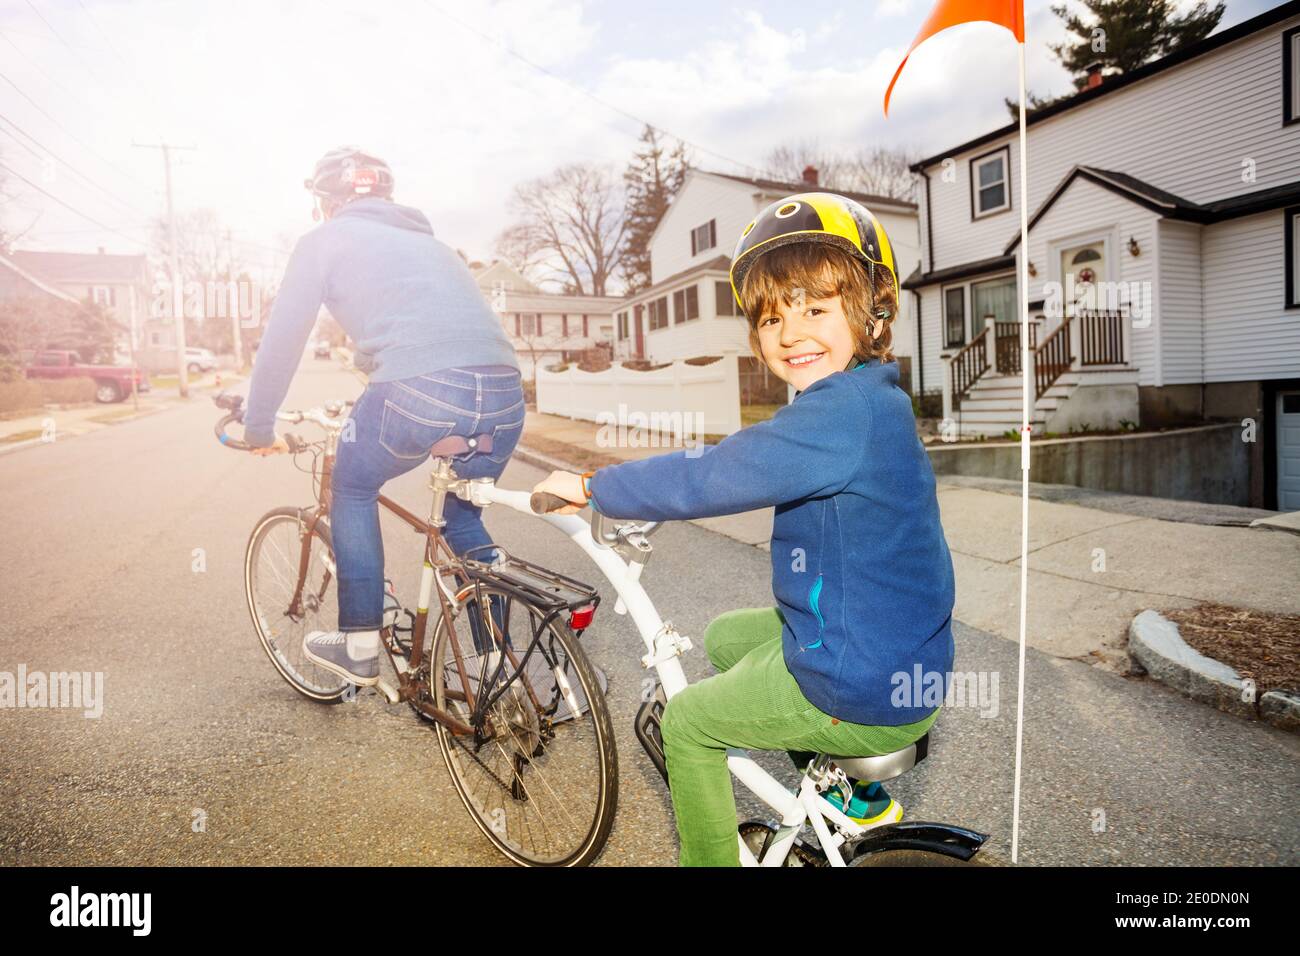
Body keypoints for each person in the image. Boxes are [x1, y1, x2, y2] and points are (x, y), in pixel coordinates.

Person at [531, 192, 956, 866]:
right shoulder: (872, 398)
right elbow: (758, 467)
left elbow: (714, 476)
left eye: (814, 308)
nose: (790, 333)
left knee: (690, 720)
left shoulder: (839, 416)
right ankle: (850, 795)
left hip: (860, 680)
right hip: (898, 652)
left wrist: (593, 486)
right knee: (729, 636)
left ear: (873, 309)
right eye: (770, 317)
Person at [243, 146, 523, 688]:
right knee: (464, 515)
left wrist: (259, 426)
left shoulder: (322, 241)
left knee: (352, 486)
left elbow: (283, 340)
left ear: (327, 202)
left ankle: (359, 644)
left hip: (420, 388)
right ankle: (495, 660)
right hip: (506, 393)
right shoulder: (436, 246)